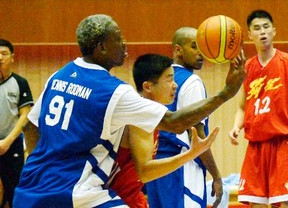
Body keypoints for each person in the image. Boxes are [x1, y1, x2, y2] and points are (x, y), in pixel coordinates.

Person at [13, 14, 245, 208]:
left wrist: (40, 164)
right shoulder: (113, 91)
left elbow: (30, 126)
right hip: (74, 191)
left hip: (30, 186)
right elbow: (174, 122)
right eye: (118, 39)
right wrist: (226, 93)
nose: (125, 43)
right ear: (101, 47)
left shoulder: (59, 75)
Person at [107, 53, 221, 208]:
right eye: (169, 79)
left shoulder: (150, 117)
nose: (175, 85)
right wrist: (190, 154)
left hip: (130, 196)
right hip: (112, 198)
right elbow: (144, 172)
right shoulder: (140, 118)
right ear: (148, 86)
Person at [146, 27, 223, 208]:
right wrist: (216, 175)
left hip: (154, 166)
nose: (201, 53)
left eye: (203, 48)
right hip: (180, 166)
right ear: (178, 50)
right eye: (195, 47)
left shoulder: (158, 79)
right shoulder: (191, 82)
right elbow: (197, 134)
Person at [229, 9, 288, 208]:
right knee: (255, 204)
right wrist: (236, 127)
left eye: (266, 27)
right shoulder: (247, 68)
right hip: (255, 147)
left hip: (282, 143)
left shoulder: (285, 63)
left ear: (274, 31)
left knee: (284, 201)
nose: (262, 31)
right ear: (249, 35)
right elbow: (242, 107)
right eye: (257, 28)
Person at [0, 39, 33, 208]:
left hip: (12, 144)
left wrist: (7, 142)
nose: (0, 58)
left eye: (4, 54)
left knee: (14, 189)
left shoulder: (20, 83)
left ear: (12, 57)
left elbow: (25, 115)